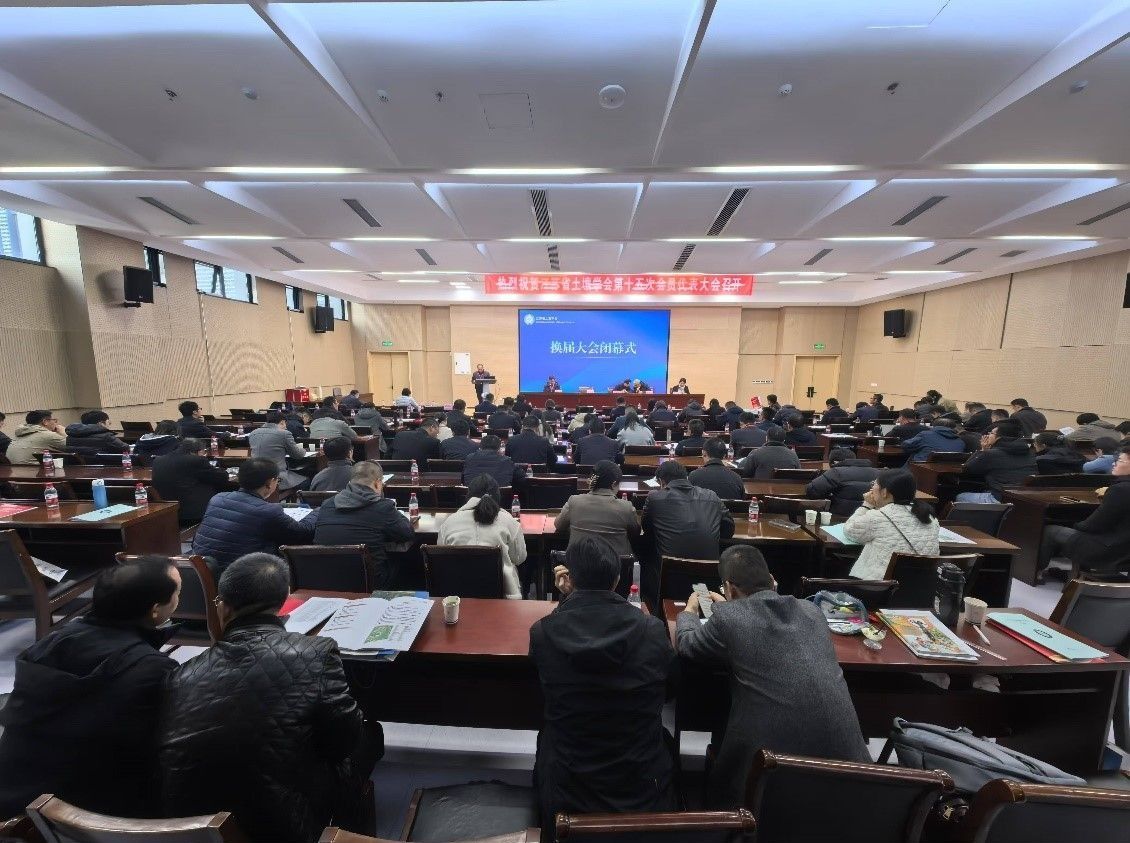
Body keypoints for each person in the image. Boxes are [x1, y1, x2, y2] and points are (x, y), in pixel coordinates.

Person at [159, 553, 377, 843]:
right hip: (284, 823)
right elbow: (343, 741)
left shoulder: (180, 674)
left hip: (193, 827)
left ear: (223, 606)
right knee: (370, 736)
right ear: (284, 600)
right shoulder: (316, 652)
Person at [675, 545, 868, 808]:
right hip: (853, 781)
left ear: (729, 588)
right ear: (772, 581)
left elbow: (687, 645)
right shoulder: (812, 611)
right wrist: (733, 608)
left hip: (772, 783)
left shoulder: (728, 618)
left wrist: (689, 610)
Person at [0, 557, 181, 819]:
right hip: (80, 815)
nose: (179, 599)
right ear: (155, 610)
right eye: (177, 593)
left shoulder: (49, 644)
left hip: (13, 795)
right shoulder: (153, 668)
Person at [530, 538, 677, 822]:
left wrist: (568, 600)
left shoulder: (543, 632)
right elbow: (669, 690)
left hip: (566, 790)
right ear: (618, 580)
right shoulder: (652, 630)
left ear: (570, 579)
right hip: (642, 786)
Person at [192, 458, 317, 572]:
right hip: (243, 575)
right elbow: (302, 532)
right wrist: (317, 511)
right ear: (270, 483)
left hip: (200, 570)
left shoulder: (217, 498)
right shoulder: (268, 511)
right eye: (277, 480)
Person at [313, 461, 417, 588]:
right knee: (410, 562)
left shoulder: (327, 504)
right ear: (377, 483)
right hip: (370, 583)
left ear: (350, 483)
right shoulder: (383, 508)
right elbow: (407, 533)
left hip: (327, 580)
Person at [641, 461, 734, 600]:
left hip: (669, 582)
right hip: (705, 585)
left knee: (645, 554)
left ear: (661, 482)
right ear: (686, 477)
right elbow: (729, 530)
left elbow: (647, 529)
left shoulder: (655, 498)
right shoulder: (711, 496)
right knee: (704, 604)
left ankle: (651, 605)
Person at [1037, 446, 1130, 578]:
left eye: (1120, 460)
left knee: (1050, 531)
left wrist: (1074, 525)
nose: (1114, 463)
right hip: (1124, 547)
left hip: (1109, 548)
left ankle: (1037, 573)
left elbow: (1095, 525)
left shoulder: (1120, 490)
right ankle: (1079, 573)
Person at [438, 473, 527, 597]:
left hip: (457, 597)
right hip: (502, 598)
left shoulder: (448, 523)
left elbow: (442, 559)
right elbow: (519, 558)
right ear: (498, 496)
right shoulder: (509, 521)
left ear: (468, 496)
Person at [844, 470, 940, 579]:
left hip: (881, 585)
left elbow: (849, 530)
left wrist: (867, 505)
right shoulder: (930, 517)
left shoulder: (877, 517)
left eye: (874, 484)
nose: (871, 488)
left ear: (884, 492)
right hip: (921, 585)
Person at [554, 461, 640, 557]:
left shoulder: (574, 501)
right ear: (613, 484)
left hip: (579, 562)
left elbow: (558, 525)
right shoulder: (626, 507)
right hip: (616, 564)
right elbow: (635, 532)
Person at [152, 438, 232, 526]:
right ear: (197, 451)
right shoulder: (196, 460)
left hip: (167, 511)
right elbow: (222, 477)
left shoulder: (158, 460)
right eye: (204, 451)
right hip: (192, 514)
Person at [957, 420, 1036, 503]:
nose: (988, 435)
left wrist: (982, 450)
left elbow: (967, 468)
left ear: (999, 437)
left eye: (991, 433)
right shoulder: (1030, 453)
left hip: (1000, 497)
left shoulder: (991, 454)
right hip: (1024, 498)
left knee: (961, 497)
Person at [805, 447, 880, 516]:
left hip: (840, 517)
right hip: (870, 517)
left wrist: (828, 494)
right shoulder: (879, 473)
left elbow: (811, 491)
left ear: (834, 463)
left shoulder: (836, 472)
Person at [248, 409, 310, 491]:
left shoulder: (253, 433)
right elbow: (298, 455)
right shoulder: (284, 434)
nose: (286, 427)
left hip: (256, 475)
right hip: (276, 476)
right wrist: (303, 449)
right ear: (282, 422)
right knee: (306, 481)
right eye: (285, 424)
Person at [736, 426, 801, 479]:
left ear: (766, 438)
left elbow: (745, 472)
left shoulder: (756, 453)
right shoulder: (793, 455)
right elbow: (798, 473)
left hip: (760, 489)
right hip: (787, 489)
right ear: (784, 440)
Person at [64, 409, 129, 456]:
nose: (110, 424)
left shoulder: (70, 437)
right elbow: (125, 449)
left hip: (78, 469)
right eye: (108, 422)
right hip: (106, 468)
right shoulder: (106, 436)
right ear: (101, 423)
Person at [900, 417, 965, 462]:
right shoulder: (960, 441)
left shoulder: (925, 434)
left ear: (934, 426)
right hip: (949, 474)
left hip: (920, 470)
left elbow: (906, 445)